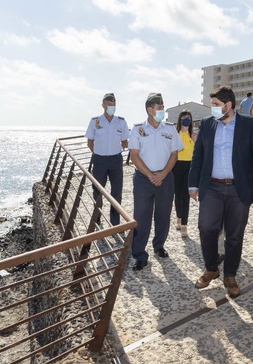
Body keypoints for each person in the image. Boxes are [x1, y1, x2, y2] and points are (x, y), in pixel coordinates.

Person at [189, 86, 253, 298]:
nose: (212, 108)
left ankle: (230, 275)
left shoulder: (249, 125)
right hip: (211, 187)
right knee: (206, 228)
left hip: (239, 188)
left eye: (215, 105)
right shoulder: (206, 124)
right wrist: (192, 184)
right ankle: (211, 268)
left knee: (234, 234)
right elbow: (198, 157)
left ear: (228, 105)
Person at [128, 93, 184, 271]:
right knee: (141, 217)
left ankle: (159, 245)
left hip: (165, 179)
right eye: (160, 108)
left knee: (163, 215)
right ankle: (139, 254)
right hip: (143, 180)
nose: (162, 110)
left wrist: (162, 174)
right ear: (150, 110)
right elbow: (134, 156)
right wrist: (151, 175)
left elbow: (175, 154)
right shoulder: (137, 129)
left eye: (162, 107)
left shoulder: (169, 128)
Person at [84, 92, 129, 226]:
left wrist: (116, 150)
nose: (112, 107)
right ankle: (97, 219)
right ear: (103, 105)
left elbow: (125, 142)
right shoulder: (95, 122)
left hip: (116, 160)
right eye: (109, 104)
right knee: (98, 191)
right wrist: (99, 153)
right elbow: (90, 142)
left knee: (116, 192)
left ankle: (115, 222)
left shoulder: (121, 122)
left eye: (114, 105)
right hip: (99, 160)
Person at [173, 110, 196, 238]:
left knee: (186, 196)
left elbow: (199, 152)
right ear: (180, 119)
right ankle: (179, 217)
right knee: (178, 195)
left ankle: (184, 226)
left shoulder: (193, 135)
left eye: (188, 117)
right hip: (176, 166)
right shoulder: (175, 134)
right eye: (184, 117)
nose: (186, 119)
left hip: (189, 166)